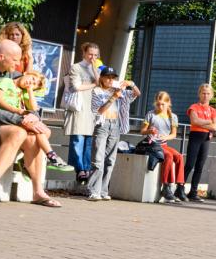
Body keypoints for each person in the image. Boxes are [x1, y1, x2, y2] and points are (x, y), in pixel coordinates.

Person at [0, 40, 62, 209]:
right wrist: (21, 120)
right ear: (1, 57)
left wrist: (31, 117)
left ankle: (38, 192)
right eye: (15, 60)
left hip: (9, 125)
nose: (19, 64)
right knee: (18, 133)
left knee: (34, 138)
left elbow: (33, 108)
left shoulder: (14, 75)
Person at [0, 70, 72, 171]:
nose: (30, 83)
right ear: (26, 73)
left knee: (46, 131)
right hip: (6, 119)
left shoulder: (24, 91)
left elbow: (33, 109)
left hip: (19, 121)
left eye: (34, 85)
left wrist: (29, 90)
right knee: (42, 131)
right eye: (32, 79)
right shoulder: (7, 81)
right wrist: (19, 111)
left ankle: (49, 158)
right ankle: (50, 157)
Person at [86, 66, 139, 201]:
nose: (110, 80)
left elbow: (137, 94)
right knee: (98, 159)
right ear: (102, 78)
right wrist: (113, 98)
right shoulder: (97, 91)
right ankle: (93, 191)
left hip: (115, 125)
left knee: (110, 160)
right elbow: (99, 110)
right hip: (102, 125)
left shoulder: (119, 90)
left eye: (112, 77)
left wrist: (131, 84)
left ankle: (103, 191)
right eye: (107, 77)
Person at [61, 42, 101, 181]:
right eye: (90, 54)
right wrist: (93, 85)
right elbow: (77, 86)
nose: (92, 57)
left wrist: (95, 69)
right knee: (77, 138)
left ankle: (86, 168)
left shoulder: (97, 68)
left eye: (95, 55)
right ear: (84, 53)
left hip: (92, 108)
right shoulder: (76, 67)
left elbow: (101, 84)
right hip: (78, 106)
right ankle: (79, 169)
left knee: (89, 140)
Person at [141, 91, 186, 203]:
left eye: (162, 104)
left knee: (179, 156)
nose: (160, 106)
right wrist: (149, 130)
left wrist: (166, 136)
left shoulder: (173, 117)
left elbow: (174, 134)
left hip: (164, 144)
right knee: (169, 156)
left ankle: (180, 187)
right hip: (152, 144)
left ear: (168, 103)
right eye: (158, 104)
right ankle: (166, 186)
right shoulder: (151, 114)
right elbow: (142, 131)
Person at [183, 84, 216, 202]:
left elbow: (214, 127)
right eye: (203, 93)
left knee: (200, 166)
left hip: (206, 138)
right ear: (199, 94)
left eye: (208, 93)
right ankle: (179, 188)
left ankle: (193, 192)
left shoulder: (213, 110)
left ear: (212, 95)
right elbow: (194, 121)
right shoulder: (194, 107)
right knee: (189, 164)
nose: (205, 95)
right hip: (195, 136)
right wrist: (208, 121)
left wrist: (203, 122)